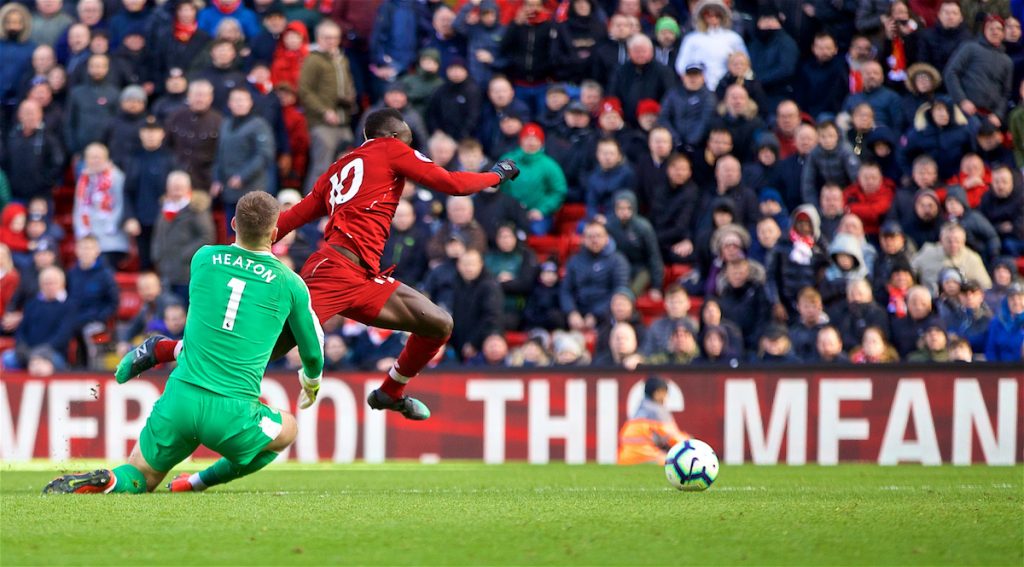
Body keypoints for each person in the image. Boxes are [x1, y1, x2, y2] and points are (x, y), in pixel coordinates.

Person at [120, 109, 517, 421]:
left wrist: (241, 245)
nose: (416, 150)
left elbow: (292, 218)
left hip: (363, 275)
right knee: (257, 353)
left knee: (438, 323)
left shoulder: (340, 168)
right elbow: (451, 184)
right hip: (332, 270)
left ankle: (390, 392)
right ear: (394, 136)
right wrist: (495, 175)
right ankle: (164, 348)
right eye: (411, 141)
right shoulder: (391, 149)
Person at [45, 192, 323, 495]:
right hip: (233, 415)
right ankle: (197, 482)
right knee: (288, 428)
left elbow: (215, 324)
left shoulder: (203, 258)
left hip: (180, 398)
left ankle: (110, 481)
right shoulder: (290, 282)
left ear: (233, 224)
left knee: (140, 475)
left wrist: (168, 349)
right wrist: (312, 382)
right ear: (274, 233)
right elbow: (312, 353)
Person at [150, 171, 215, 303]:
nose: (177, 191)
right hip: (166, 270)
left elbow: (207, 237)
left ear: (188, 188)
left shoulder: (197, 208)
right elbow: (158, 234)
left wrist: (185, 255)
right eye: (174, 187)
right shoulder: (165, 207)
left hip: (186, 272)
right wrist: (156, 255)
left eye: (180, 187)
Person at [560, 221, 630, 332]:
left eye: (598, 236)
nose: (594, 240)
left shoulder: (618, 260)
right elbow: (566, 290)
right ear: (583, 239)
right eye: (590, 236)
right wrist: (571, 312)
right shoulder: (574, 260)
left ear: (607, 238)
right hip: (579, 311)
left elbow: (619, 291)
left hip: (605, 312)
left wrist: (596, 314)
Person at [984, 281, 1024, 362]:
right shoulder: (997, 322)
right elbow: (990, 350)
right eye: (1012, 298)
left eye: (1020, 298)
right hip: (1001, 369)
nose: (1016, 302)